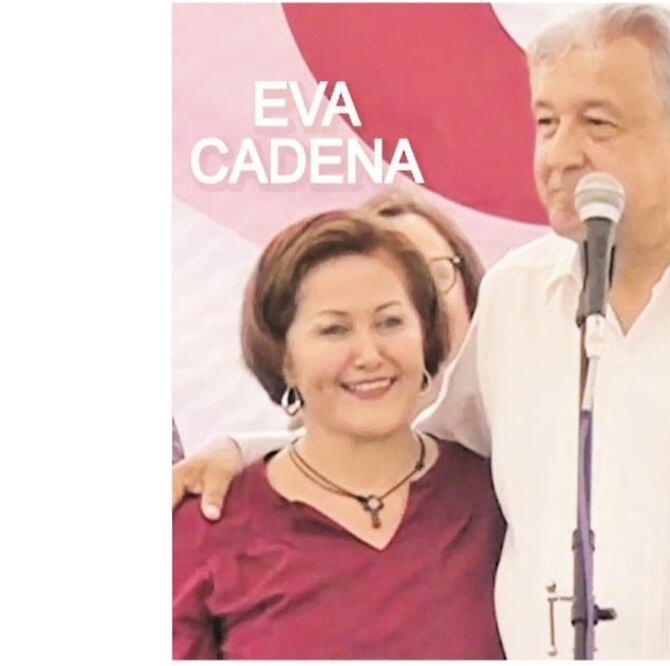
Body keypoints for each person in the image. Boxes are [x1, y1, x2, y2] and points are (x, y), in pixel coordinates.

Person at [175, 4, 670, 659]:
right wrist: (247, 453)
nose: (560, 155)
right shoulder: (520, 294)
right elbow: (422, 444)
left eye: (597, 123)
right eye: (545, 121)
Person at [172, 210, 504, 659]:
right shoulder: (203, 528)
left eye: (390, 322)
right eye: (334, 329)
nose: (369, 354)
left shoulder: (496, 497)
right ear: (282, 356)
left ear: (426, 336)